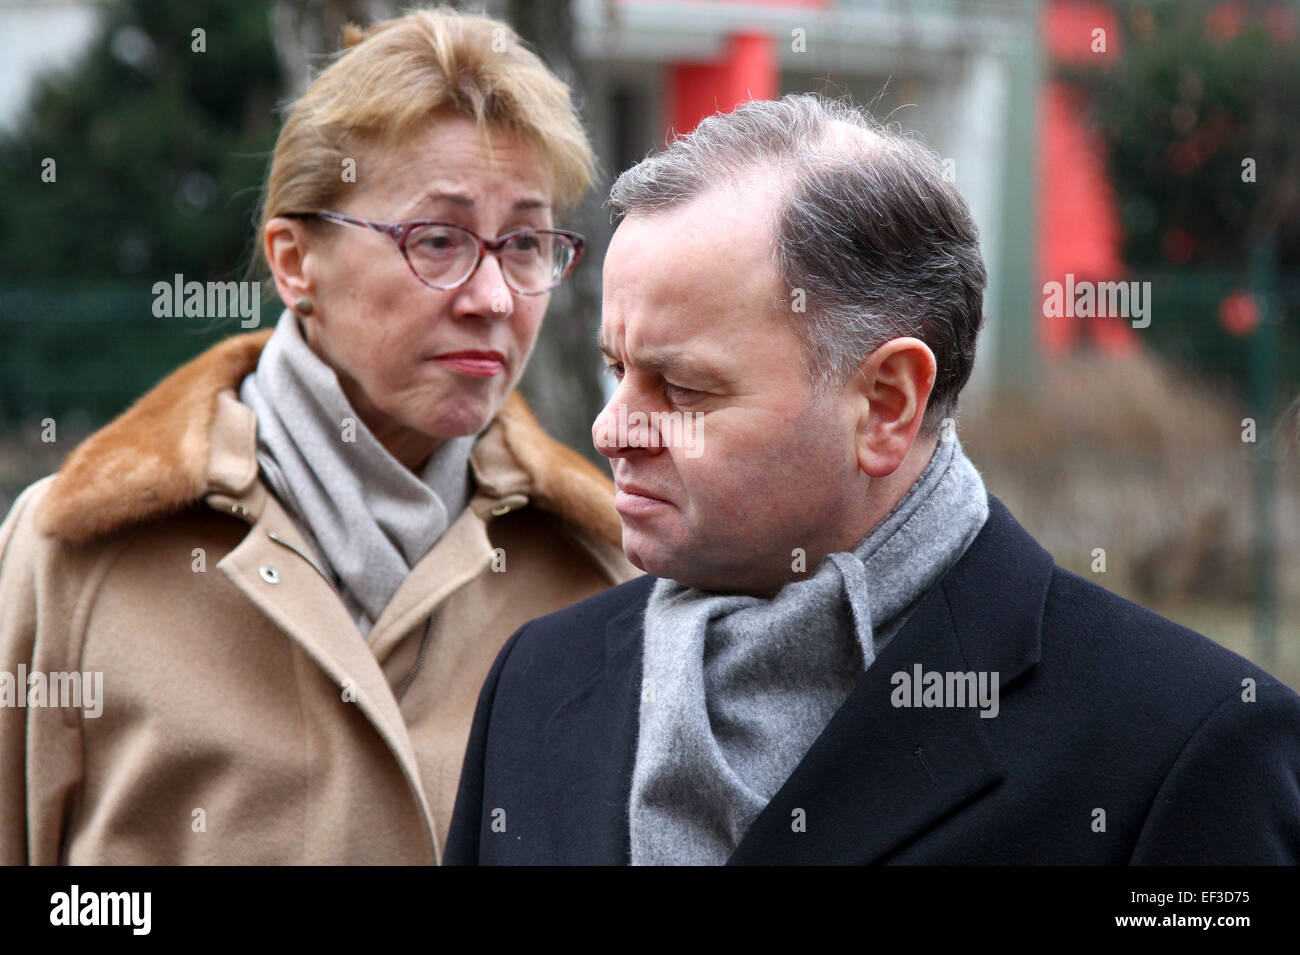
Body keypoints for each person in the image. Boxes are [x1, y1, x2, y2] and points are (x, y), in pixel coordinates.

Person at [446, 93, 1300, 865]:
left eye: (682, 388)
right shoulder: (538, 679)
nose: (610, 430)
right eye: (616, 369)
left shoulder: (1188, 743)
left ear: (886, 403)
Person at [0, 7, 636, 865]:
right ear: (296, 263)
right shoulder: (75, 551)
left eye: (524, 243)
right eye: (438, 239)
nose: (492, 296)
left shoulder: (601, 573)